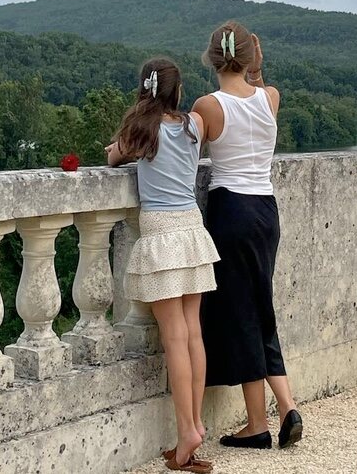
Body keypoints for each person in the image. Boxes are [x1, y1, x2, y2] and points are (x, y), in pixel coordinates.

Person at [193, 21, 303, 450]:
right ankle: (285, 405)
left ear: (211, 58)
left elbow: (185, 144)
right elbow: (256, 85)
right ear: (251, 58)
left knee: (242, 312)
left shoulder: (209, 105)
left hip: (231, 210)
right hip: (265, 211)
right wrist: (257, 68)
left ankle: (258, 424)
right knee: (261, 305)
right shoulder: (270, 98)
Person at [107, 58, 219, 473]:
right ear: (178, 90)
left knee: (174, 336)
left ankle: (187, 430)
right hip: (192, 227)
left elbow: (114, 159)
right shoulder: (195, 126)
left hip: (160, 230)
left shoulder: (142, 129)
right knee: (193, 332)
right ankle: (196, 424)